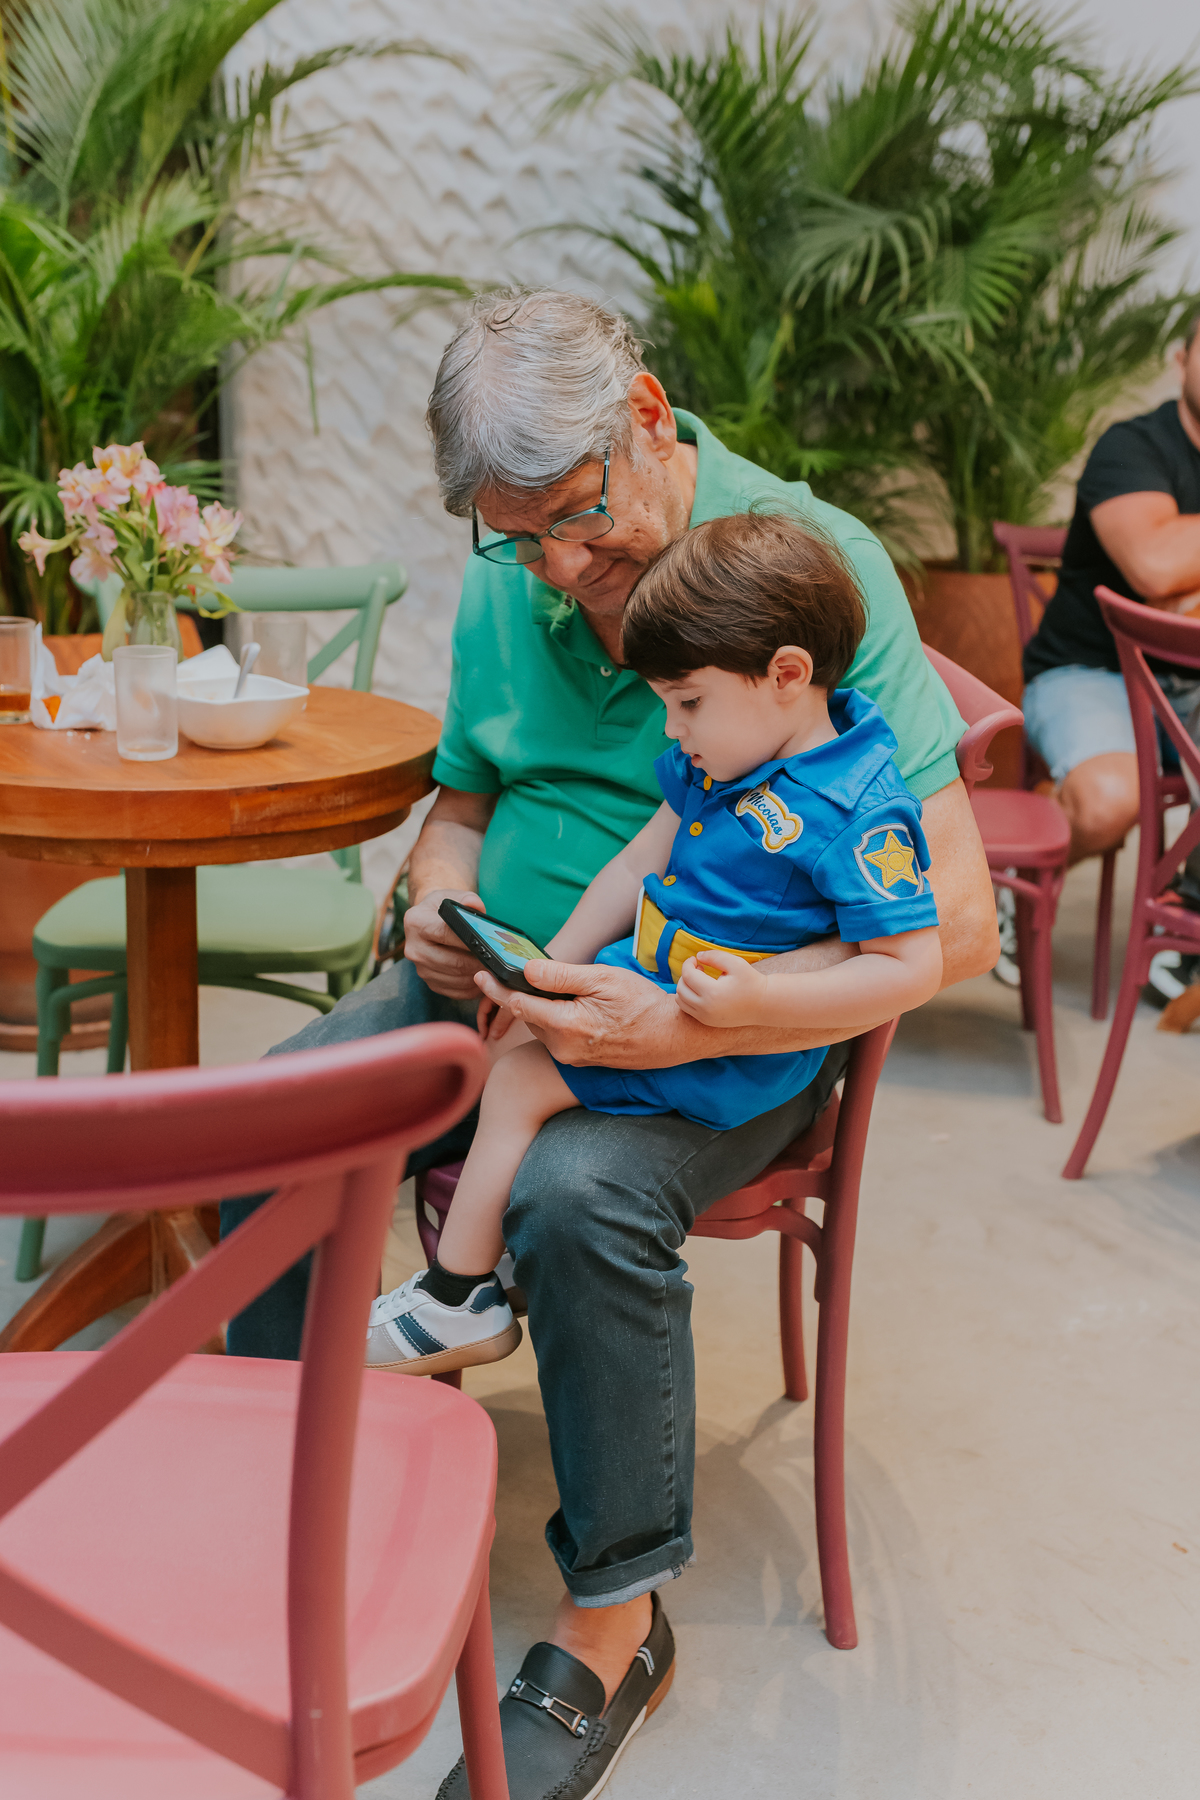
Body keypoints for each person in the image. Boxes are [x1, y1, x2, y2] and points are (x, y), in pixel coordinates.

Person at [220, 291, 998, 1800]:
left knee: (577, 1193)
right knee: (282, 1117)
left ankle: (613, 1620)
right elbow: (461, 802)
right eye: (518, 541)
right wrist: (443, 900)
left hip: (725, 1020)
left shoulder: (802, 564)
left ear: (647, 417)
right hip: (512, 979)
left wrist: (695, 1009)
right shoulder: (513, 578)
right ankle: (309, 1503)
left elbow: (952, 927)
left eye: (580, 519)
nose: (563, 571)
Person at [367, 511, 942, 1384]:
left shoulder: (859, 811)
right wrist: (548, 968)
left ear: (787, 675)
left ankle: (457, 1299)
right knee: (507, 1050)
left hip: (734, 1048)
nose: (672, 730)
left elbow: (911, 965)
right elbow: (639, 863)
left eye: (688, 703)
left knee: (516, 1081)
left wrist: (758, 1001)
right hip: (651, 983)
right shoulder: (727, 757)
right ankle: (498, 1268)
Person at [1022, 315, 1200, 859]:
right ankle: (1011, 885)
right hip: (1091, 671)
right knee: (1108, 801)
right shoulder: (1131, 446)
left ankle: (1183, 907)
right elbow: (1155, 566)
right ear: (1181, 361)